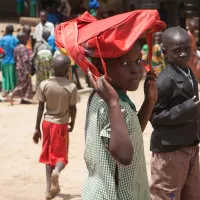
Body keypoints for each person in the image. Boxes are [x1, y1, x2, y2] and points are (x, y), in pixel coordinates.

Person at [55, 10, 165, 199]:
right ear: (100, 69)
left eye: (138, 61)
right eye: (124, 63)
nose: (136, 70)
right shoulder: (111, 104)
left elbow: (129, 133)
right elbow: (124, 154)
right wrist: (114, 104)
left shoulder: (113, 99)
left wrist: (149, 102)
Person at [150, 27, 200, 200]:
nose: (183, 53)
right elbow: (155, 116)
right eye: (177, 50)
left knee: (192, 193)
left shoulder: (188, 72)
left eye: (187, 48)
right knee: (167, 194)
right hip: (170, 152)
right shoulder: (164, 81)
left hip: (190, 145)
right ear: (165, 52)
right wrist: (187, 109)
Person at [33, 55, 79, 200]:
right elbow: (73, 109)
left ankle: (48, 190)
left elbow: (40, 107)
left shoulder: (44, 84)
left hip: (46, 124)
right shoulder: (71, 87)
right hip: (60, 125)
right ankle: (57, 172)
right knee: (61, 156)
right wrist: (73, 122)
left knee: (48, 156)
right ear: (67, 70)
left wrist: (36, 128)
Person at [8, 32, 33, 105]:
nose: (27, 39)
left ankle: (23, 99)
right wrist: (28, 70)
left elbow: (15, 58)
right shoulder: (23, 48)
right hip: (24, 69)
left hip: (18, 68)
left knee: (24, 83)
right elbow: (25, 60)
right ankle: (11, 95)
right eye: (26, 38)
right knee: (23, 84)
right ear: (22, 39)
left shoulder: (16, 47)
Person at [0, 25, 18, 97]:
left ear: (6, 30)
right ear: (12, 31)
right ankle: (12, 91)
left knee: (4, 76)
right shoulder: (15, 39)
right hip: (13, 61)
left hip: (4, 61)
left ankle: (5, 91)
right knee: (13, 76)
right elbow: (17, 49)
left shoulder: (2, 39)